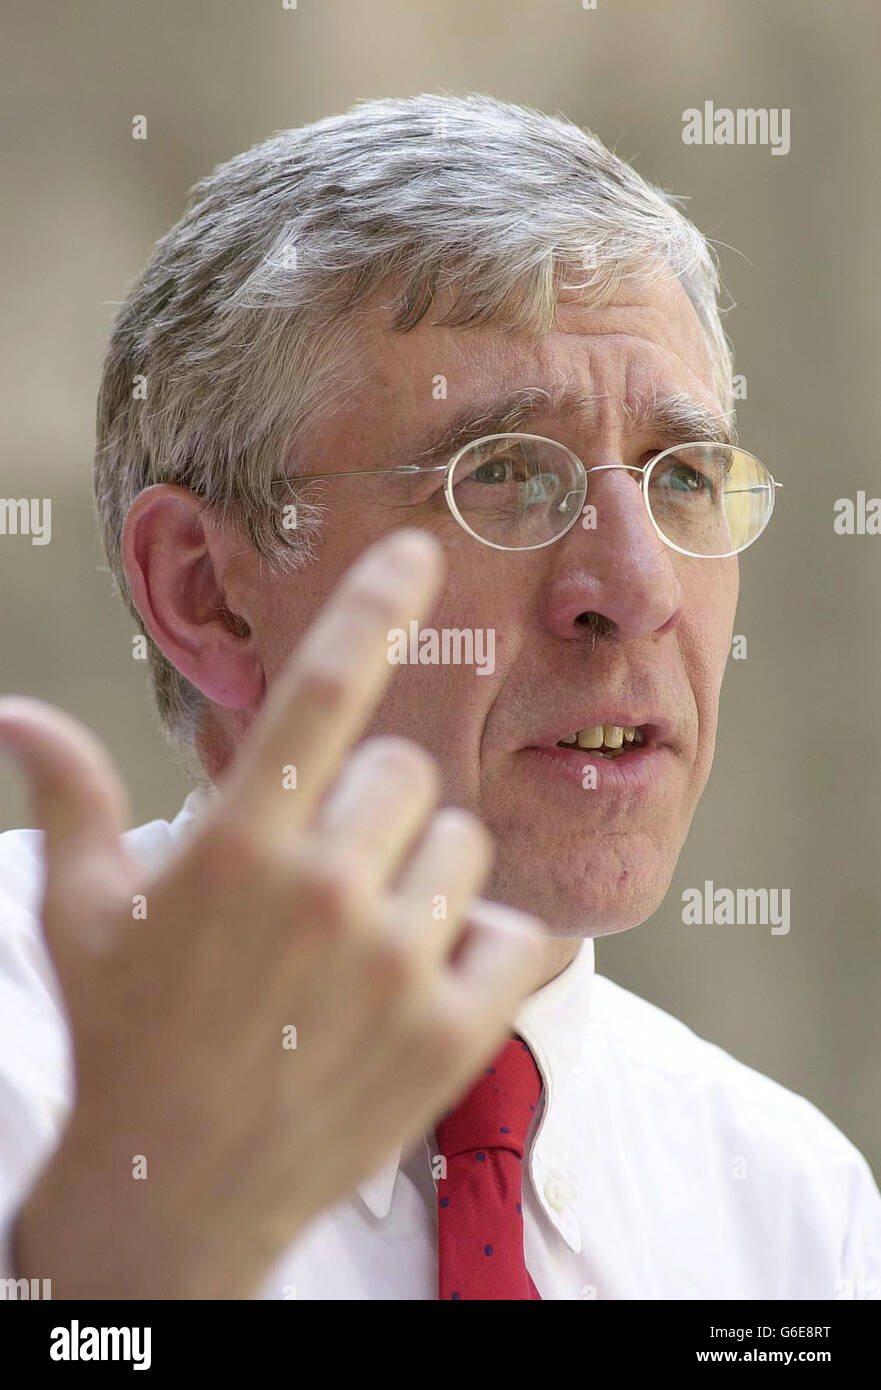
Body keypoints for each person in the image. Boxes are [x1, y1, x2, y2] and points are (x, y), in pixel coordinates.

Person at [0, 93, 878, 1301]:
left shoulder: (790, 1212)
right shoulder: (28, 1068)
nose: (635, 589)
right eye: (505, 474)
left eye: (682, 477)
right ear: (207, 594)